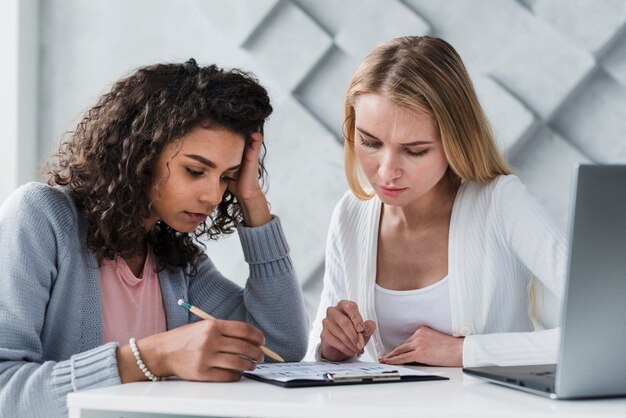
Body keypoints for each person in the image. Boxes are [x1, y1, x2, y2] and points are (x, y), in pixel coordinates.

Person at [0, 59, 308, 418]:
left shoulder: (177, 262)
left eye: (227, 176)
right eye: (195, 171)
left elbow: (281, 346)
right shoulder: (42, 217)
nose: (213, 195)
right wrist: (150, 357)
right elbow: (6, 390)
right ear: (142, 154)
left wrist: (253, 200)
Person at [305, 36, 567, 368]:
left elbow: (609, 329)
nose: (386, 172)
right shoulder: (351, 213)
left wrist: (463, 352)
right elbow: (315, 362)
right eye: (370, 143)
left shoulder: (500, 203)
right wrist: (330, 349)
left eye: (415, 150)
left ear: (455, 140)